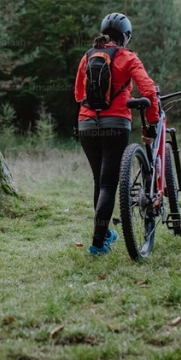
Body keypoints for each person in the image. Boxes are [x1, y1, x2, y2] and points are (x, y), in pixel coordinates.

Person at [74, 13, 161, 255]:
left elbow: (78, 93)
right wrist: (152, 121)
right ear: (125, 37)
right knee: (108, 183)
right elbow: (148, 90)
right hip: (116, 123)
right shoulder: (127, 57)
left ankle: (104, 234)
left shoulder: (87, 56)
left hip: (87, 123)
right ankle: (97, 243)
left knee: (100, 181)